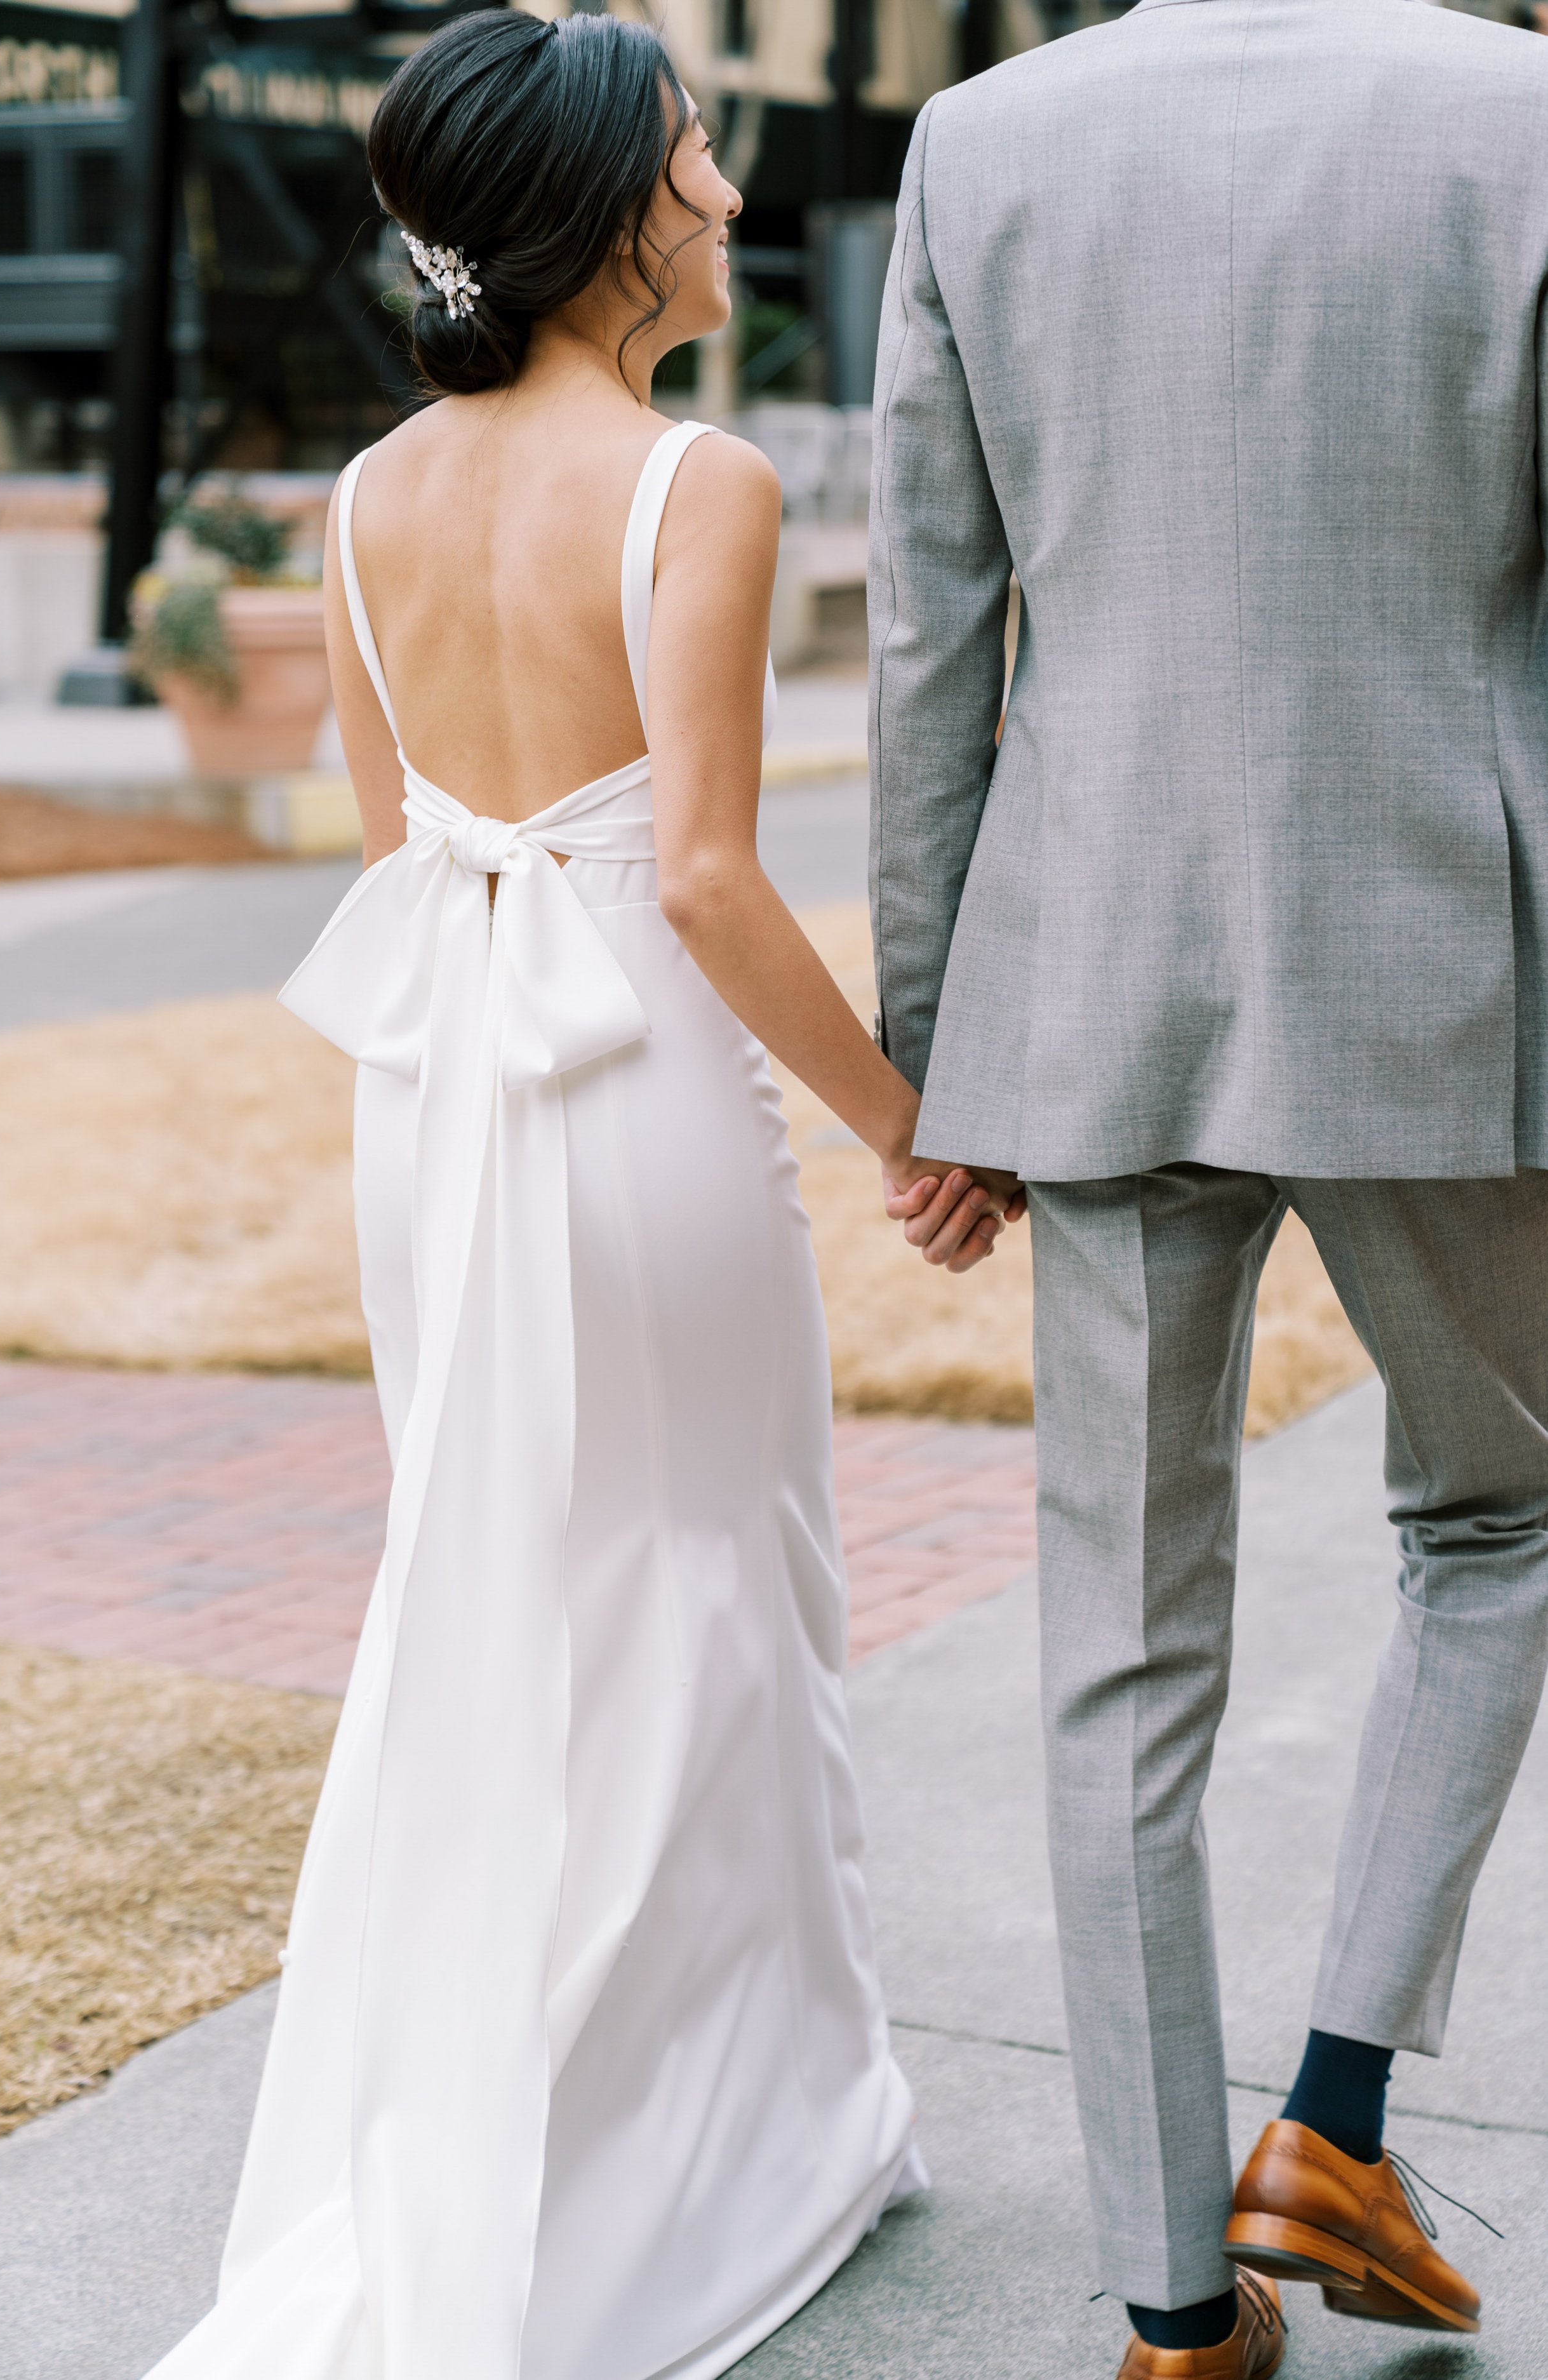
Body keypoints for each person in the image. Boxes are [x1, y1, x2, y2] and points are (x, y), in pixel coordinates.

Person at [140, 13, 1013, 2377]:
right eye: (703, 150)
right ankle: (692, 2156)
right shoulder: (693, 479)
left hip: (442, 1101)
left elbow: (389, 842)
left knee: (502, 1594)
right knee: (706, 1594)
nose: (729, 191)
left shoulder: (357, 499)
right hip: (631, 1089)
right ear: (612, 207)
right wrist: (906, 1122)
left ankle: (567, 2127)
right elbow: (714, 882)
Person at [871, 1, 1548, 2374]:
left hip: (1091, 977)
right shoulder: (1525, 116)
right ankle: (1335, 2111)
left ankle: (1175, 2309)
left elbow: (932, 624)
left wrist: (926, 1040)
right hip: (1439, 971)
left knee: (1115, 1652)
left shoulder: (982, 137)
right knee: (1510, 1512)